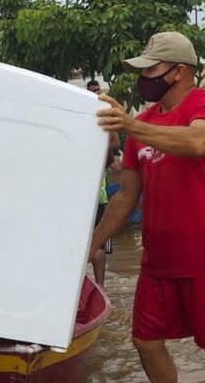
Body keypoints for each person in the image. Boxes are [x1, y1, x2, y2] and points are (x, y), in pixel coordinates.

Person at [91, 32, 205, 383]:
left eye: (151, 70)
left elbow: (198, 142)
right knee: (145, 342)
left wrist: (132, 125)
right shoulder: (145, 124)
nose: (143, 78)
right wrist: (90, 246)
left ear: (178, 71)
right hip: (160, 258)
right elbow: (125, 196)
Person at [86, 79, 119, 288]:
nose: (96, 93)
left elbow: (115, 142)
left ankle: (101, 287)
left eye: (98, 90)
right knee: (92, 243)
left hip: (99, 195)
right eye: (92, 91)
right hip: (88, 194)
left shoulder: (107, 114)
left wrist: (100, 143)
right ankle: (99, 287)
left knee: (99, 243)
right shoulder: (85, 114)